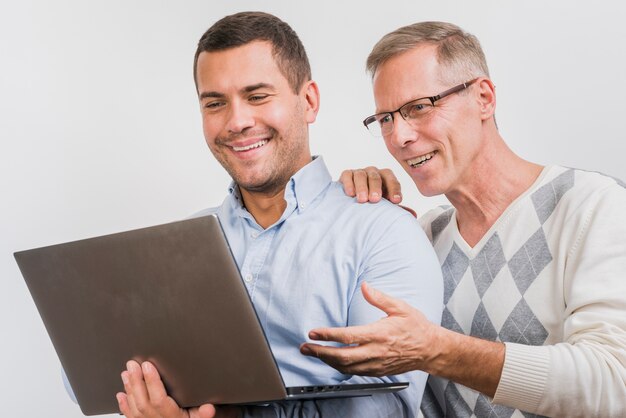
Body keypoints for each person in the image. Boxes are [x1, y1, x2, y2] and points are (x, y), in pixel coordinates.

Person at [113, 12, 444, 418]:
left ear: (308, 101)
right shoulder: (181, 244)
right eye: (215, 103)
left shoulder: (383, 231)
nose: (237, 122)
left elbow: (383, 406)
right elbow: (97, 376)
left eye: (257, 96)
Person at [300, 21, 626, 417]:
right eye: (385, 118)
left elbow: (614, 381)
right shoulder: (420, 238)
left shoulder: (593, 208)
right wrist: (356, 218)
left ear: (484, 98)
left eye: (418, 107)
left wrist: (438, 350)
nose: (399, 136)